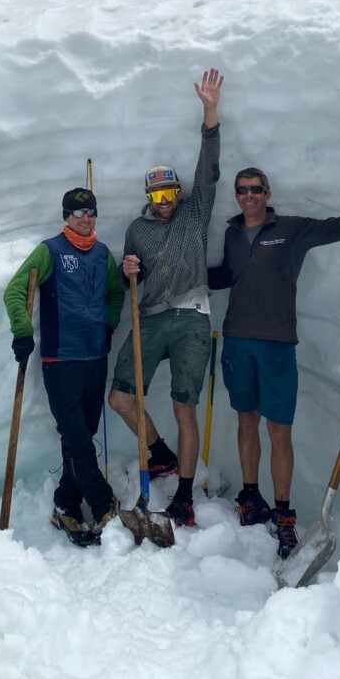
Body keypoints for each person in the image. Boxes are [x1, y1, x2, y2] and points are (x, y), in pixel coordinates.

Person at [207, 164, 340, 558]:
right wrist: (180, 275)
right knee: (246, 419)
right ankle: (250, 496)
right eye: (242, 189)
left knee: (279, 429)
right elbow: (227, 275)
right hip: (238, 341)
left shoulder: (291, 230)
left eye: (256, 189)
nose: (249, 195)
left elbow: (338, 227)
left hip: (277, 344)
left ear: (268, 194)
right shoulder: (231, 233)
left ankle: (283, 513)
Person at [108, 68, 223, 528]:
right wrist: (127, 269)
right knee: (120, 398)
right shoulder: (137, 230)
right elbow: (127, 279)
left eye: (170, 191)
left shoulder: (195, 213)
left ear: (178, 192)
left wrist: (209, 112)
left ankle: (185, 497)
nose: (164, 199)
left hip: (193, 315)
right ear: (148, 196)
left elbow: (208, 169)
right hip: (151, 318)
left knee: (183, 406)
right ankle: (159, 453)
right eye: (157, 193)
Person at [4, 187, 125, 546]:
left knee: (82, 436)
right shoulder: (50, 251)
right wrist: (22, 331)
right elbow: (14, 290)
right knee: (76, 436)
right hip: (61, 359)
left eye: (90, 213)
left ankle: (66, 503)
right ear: (66, 217)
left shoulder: (102, 254)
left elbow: (115, 293)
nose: (85, 219)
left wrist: (109, 324)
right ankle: (104, 504)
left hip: (95, 358)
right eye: (78, 213)